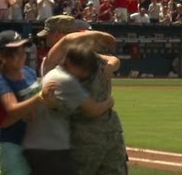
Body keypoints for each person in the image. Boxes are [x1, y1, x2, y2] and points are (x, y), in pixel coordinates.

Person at [39, 15, 128, 175]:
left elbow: (112, 59)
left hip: (85, 138)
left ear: (58, 34)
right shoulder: (57, 62)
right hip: (101, 132)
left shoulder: (68, 63)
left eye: (49, 34)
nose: (46, 39)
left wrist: (111, 64)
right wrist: (109, 102)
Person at [23, 40, 115, 175]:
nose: (85, 74)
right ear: (71, 63)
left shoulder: (52, 74)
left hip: (37, 144)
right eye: (83, 69)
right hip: (51, 147)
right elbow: (93, 110)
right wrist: (110, 102)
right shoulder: (67, 80)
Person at [0, 30, 56, 175]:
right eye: (15, 52)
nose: (22, 55)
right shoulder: (0, 80)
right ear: (1, 55)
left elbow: (38, 103)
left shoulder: (28, 72)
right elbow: (12, 109)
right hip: (13, 147)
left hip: (35, 144)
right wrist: (39, 98)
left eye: (23, 50)